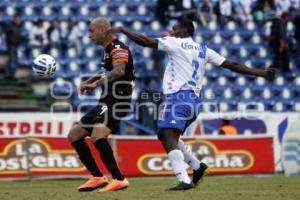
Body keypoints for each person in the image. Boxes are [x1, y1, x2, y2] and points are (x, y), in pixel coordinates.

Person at [110, 19, 276, 190]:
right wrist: (261, 73)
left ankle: (184, 180)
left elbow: (146, 41)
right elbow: (232, 65)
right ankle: (197, 167)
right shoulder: (204, 50)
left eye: (175, 29)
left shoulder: (176, 43)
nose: (172, 32)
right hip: (194, 102)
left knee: (167, 135)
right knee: (165, 133)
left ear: (184, 30)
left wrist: (124, 30)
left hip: (178, 98)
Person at [67, 17, 134, 192]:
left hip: (118, 100)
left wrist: (95, 85)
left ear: (104, 29)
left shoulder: (119, 48)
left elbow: (119, 71)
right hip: (106, 100)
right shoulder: (107, 50)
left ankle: (119, 179)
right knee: (74, 134)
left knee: (98, 133)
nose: (89, 35)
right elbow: (105, 70)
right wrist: (88, 81)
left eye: (91, 31)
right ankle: (97, 177)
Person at [4, 14, 23, 79]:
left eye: (20, 19)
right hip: (11, 45)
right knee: (12, 60)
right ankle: (10, 74)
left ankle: (12, 74)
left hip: (17, 45)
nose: (19, 20)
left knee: (15, 60)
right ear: (15, 19)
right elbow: (7, 36)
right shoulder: (10, 26)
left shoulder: (19, 26)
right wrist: (11, 41)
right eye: (18, 19)